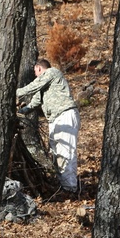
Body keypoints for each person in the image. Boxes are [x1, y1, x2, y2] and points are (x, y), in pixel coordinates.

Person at [16, 58, 80, 193]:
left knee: (66, 152)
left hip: (64, 115)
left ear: (39, 68)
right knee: (56, 154)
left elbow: (32, 87)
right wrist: (20, 112)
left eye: (35, 71)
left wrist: (12, 92)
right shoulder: (44, 87)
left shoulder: (52, 72)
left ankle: (70, 188)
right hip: (55, 119)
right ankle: (64, 185)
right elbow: (34, 104)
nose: (35, 75)